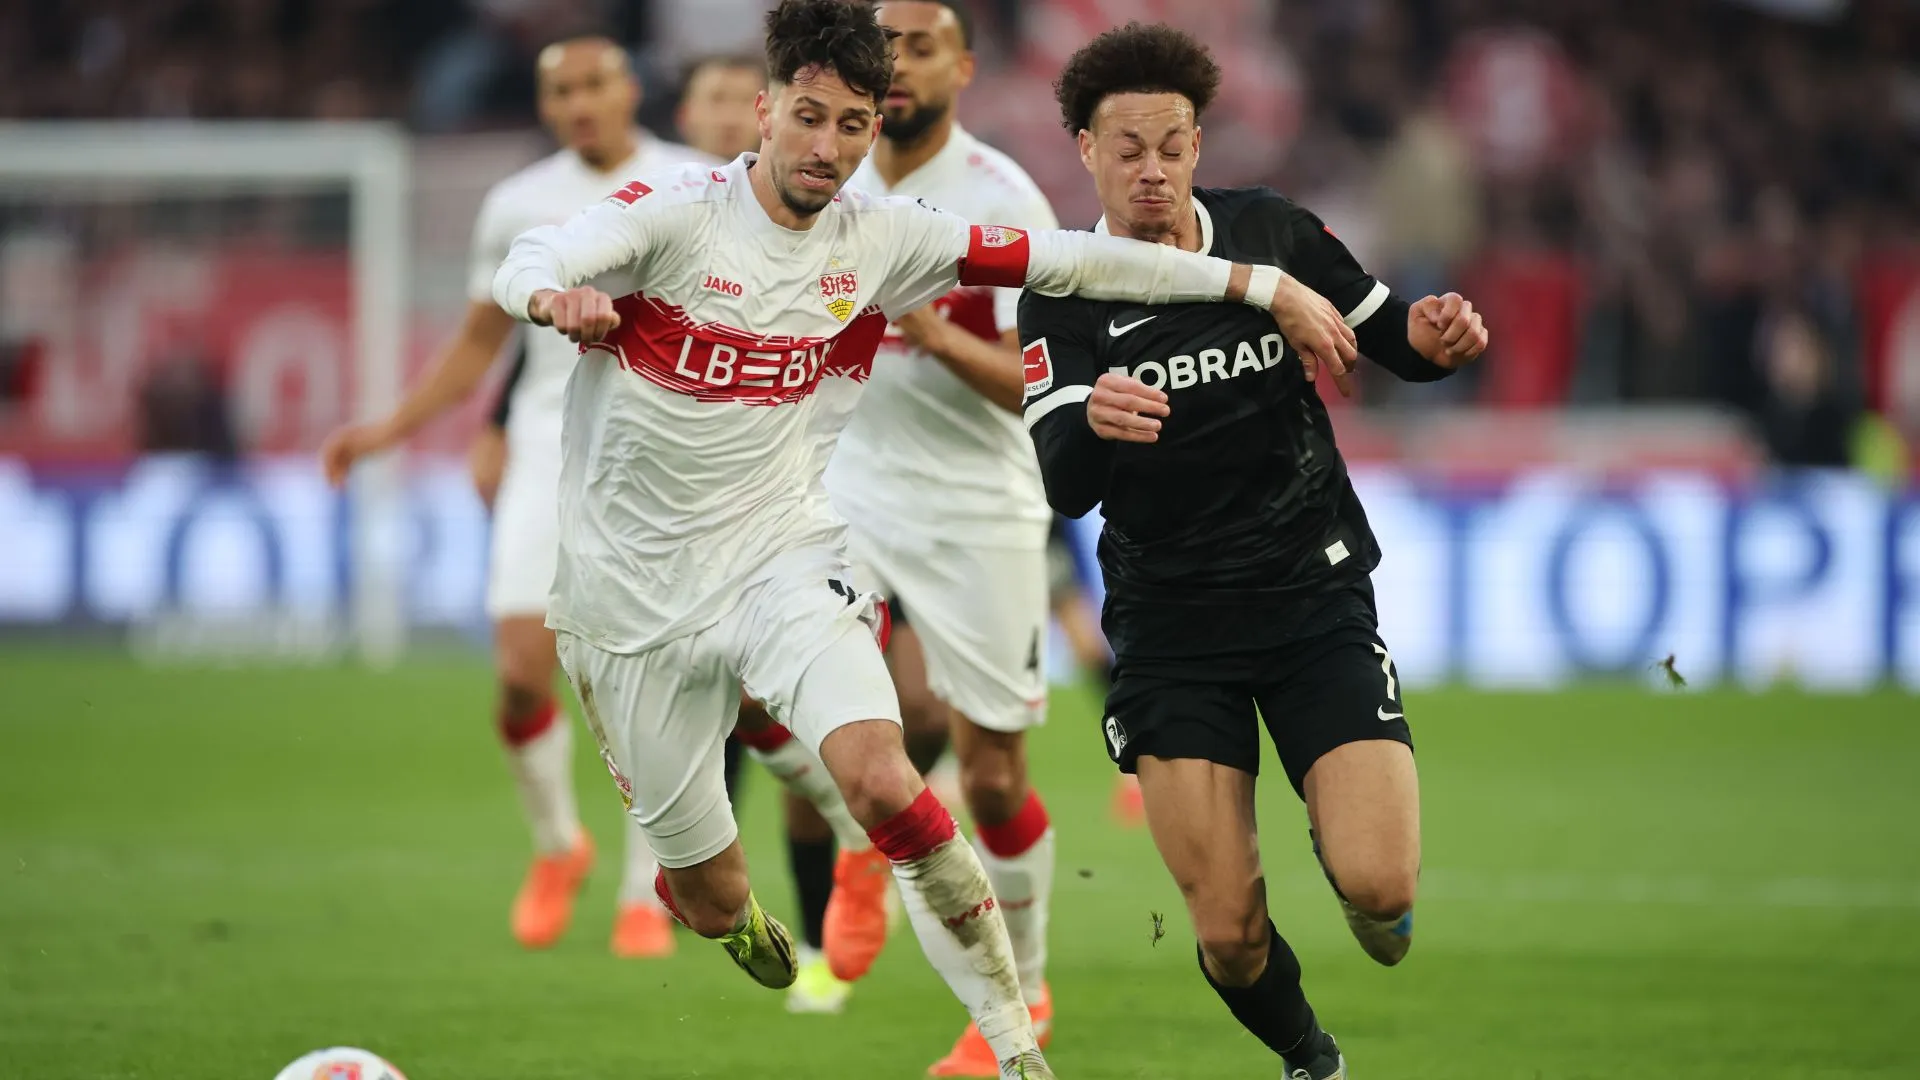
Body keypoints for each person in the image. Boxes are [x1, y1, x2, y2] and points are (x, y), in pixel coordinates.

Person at [484, 3, 1356, 1076]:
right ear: (763, 111)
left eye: (852, 126)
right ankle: (732, 900)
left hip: (782, 559)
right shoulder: (673, 213)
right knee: (710, 899)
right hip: (628, 602)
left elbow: (1073, 263)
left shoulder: (888, 233)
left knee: (894, 780)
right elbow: (535, 253)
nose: (827, 149)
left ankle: (1011, 1044)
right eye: (808, 119)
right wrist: (553, 296)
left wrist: (1260, 284)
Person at [1018, 23, 1489, 1080]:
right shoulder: (1063, 288)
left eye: (1171, 145)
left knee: (1381, 888)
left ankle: (1350, 851)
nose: (1151, 169)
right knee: (1229, 932)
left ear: (1198, 143)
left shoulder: (1271, 233)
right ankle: (1312, 1059)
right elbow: (1062, 481)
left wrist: (1442, 334)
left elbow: (1393, 339)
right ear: (1083, 149)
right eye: (1126, 147)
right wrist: (1094, 419)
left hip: (1312, 601)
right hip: (1174, 632)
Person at [320, 36, 714, 959]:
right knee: (517, 673)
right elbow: (476, 341)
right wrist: (390, 428)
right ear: (546, 105)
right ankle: (557, 845)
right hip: (548, 451)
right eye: (561, 92)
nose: (579, 104)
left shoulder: (696, 183)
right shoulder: (518, 204)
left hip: (661, 460)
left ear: (628, 91)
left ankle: (640, 888)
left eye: (593, 86)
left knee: (643, 681)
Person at [821, 2, 1062, 1072]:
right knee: (812, 691)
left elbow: (1043, 388)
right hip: (842, 491)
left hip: (978, 508)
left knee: (995, 778)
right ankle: (855, 854)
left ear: (963, 66)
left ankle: (1029, 989)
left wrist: (922, 330)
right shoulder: (820, 173)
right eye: (885, 47)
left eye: (921, 46)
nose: (900, 65)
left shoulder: (1003, 202)